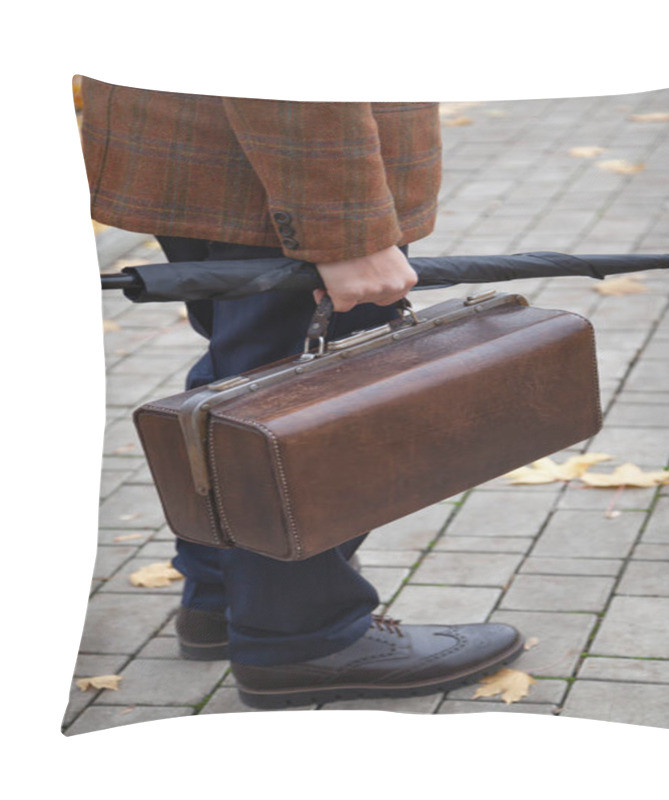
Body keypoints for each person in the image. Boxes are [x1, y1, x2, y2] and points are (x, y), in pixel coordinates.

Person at [78, 76, 524, 709]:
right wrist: (347, 233)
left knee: (249, 384)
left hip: (212, 155)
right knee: (315, 409)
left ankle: (224, 600)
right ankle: (307, 639)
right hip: (286, 178)